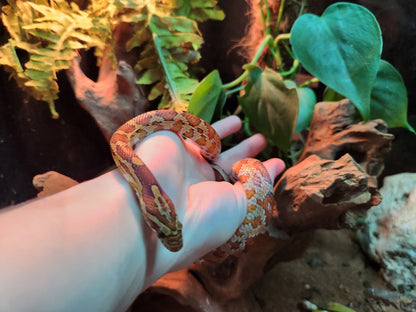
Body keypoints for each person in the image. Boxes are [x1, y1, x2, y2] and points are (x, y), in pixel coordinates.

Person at [0, 115, 285, 312]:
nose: (173, 239)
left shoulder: (133, 161)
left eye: (172, 226)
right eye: (163, 230)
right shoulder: (123, 148)